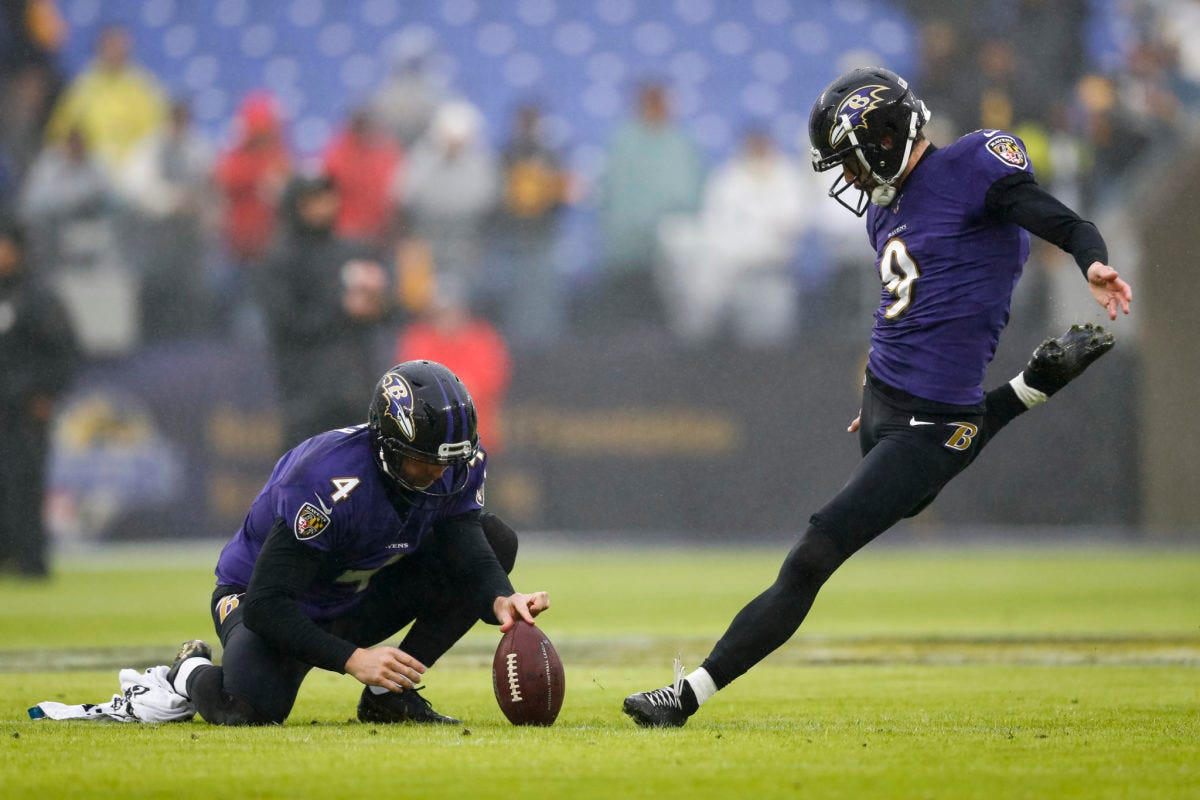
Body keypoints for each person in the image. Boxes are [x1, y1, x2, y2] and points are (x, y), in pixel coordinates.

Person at [623, 66, 1132, 727]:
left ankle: (688, 694)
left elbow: (1053, 217)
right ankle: (1032, 386)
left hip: (934, 424)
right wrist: (876, 386)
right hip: (886, 400)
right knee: (917, 476)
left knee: (812, 554)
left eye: (852, 160)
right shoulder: (885, 209)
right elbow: (902, 309)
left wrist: (1091, 257)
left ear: (887, 138)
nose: (851, 177)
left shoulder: (973, 167)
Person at [164, 360, 550, 725]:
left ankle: (389, 694)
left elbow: (463, 539)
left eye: (447, 464)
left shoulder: (454, 464)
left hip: (351, 594)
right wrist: (352, 659)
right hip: (266, 599)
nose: (437, 473)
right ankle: (187, 670)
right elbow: (268, 605)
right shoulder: (325, 480)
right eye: (422, 461)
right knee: (249, 709)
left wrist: (500, 597)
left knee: (496, 540)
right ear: (387, 446)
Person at [258, 173, 392, 448]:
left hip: (356, 389)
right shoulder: (281, 259)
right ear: (295, 204)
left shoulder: (353, 251)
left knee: (361, 477)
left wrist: (378, 304)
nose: (323, 206)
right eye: (313, 199)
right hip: (305, 394)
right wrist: (341, 309)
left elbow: (390, 313)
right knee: (306, 478)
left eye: (327, 197)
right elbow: (286, 323)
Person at [0, 219, 79, 578]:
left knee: (25, 483)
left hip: (25, 410)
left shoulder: (38, 297)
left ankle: (31, 561)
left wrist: (47, 393)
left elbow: (65, 351)